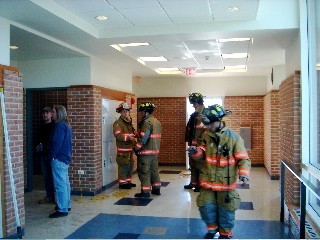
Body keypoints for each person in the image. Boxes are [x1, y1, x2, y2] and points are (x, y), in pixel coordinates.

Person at [189, 104, 251, 239]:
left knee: (226, 211)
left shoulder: (234, 138)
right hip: (207, 182)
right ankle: (212, 230)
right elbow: (203, 154)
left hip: (225, 185)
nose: (208, 127)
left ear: (219, 121)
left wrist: (244, 174)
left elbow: (243, 159)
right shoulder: (206, 136)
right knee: (206, 207)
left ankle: (225, 233)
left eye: (210, 124)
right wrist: (196, 152)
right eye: (206, 124)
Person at [47, 105, 72, 218]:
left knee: (60, 185)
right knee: (65, 183)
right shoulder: (66, 125)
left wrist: (51, 156)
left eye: (53, 112)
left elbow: (57, 143)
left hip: (58, 158)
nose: (51, 114)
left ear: (59, 113)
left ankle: (62, 209)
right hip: (64, 158)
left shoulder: (59, 126)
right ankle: (66, 204)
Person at [134, 102, 162, 198]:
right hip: (154, 151)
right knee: (154, 171)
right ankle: (156, 189)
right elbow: (151, 135)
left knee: (144, 172)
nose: (141, 113)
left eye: (142, 111)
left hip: (146, 153)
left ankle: (145, 192)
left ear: (146, 112)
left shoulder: (147, 122)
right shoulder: (156, 121)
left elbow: (144, 137)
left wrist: (137, 147)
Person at [184, 93, 206, 192]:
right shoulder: (195, 114)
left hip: (200, 146)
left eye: (193, 103)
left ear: (198, 102)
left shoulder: (205, 114)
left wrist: (200, 145)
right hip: (193, 145)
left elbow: (206, 132)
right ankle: (193, 183)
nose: (193, 105)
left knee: (200, 166)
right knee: (192, 164)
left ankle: (200, 185)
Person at [113, 102, 137, 189]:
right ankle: (122, 183)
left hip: (130, 149)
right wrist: (129, 138)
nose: (125, 113)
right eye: (123, 111)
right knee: (124, 166)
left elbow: (131, 133)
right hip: (123, 150)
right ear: (120, 112)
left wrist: (136, 135)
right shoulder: (118, 123)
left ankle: (128, 181)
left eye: (127, 111)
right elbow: (118, 135)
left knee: (130, 165)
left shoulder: (128, 122)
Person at [37, 107, 55, 204]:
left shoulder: (54, 126)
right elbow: (39, 140)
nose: (45, 115)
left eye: (47, 113)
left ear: (51, 114)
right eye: (43, 113)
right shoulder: (41, 127)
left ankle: (57, 198)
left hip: (52, 156)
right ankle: (49, 196)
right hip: (43, 155)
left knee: (54, 177)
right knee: (46, 177)